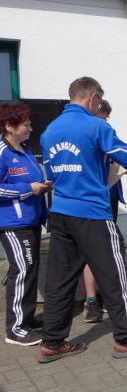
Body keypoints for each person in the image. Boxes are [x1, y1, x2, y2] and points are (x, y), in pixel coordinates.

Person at [39, 76, 127, 362]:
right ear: (92, 97)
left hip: (61, 212)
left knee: (59, 280)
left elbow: (52, 173)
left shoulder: (49, 131)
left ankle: (52, 342)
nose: (98, 106)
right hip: (92, 214)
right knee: (116, 276)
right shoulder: (97, 126)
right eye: (98, 101)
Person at [0, 102, 50, 346]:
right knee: (22, 271)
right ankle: (16, 329)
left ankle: (26, 319)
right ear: (9, 126)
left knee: (29, 270)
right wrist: (28, 189)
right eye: (26, 125)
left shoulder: (26, 149)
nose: (31, 129)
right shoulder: (2, 152)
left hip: (31, 221)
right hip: (13, 224)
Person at [82, 99, 124, 323]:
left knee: (108, 249)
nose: (104, 123)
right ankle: (91, 300)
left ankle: (108, 295)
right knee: (91, 250)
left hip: (110, 195)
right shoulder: (84, 135)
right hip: (93, 200)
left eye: (106, 119)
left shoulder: (107, 132)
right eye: (101, 119)